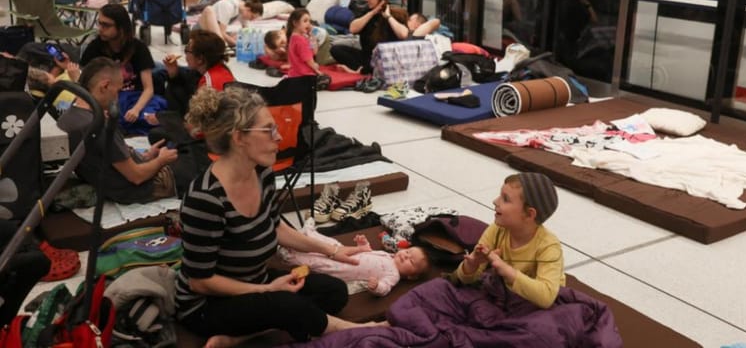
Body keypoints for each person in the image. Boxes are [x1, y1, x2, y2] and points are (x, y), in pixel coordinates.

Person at [176, 86, 384, 347]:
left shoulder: (261, 173)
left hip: (256, 279)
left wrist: (332, 250)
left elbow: (276, 227)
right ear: (239, 137)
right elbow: (200, 282)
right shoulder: (205, 199)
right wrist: (267, 290)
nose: (279, 137)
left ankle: (237, 338)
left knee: (334, 291)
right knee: (288, 305)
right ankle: (357, 331)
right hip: (208, 305)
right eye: (268, 130)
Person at [56, 57, 181, 204]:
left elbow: (109, 158)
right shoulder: (100, 126)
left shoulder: (68, 116)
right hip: (139, 188)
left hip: (111, 178)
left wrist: (146, 156)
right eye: (118, 91)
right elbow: (136, 176)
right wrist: (161, 160)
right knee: (190, 160)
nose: (118, 98)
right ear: (105, 86)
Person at [452, 172, 564, 309]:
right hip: (503, 295)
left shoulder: (549, 246)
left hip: (533, 306)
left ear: (529, 214)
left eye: (505, 199)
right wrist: (472, 265)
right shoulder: (497, 230)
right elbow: (465, 279)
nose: (495, 201)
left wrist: (504, 269)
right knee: (438, 290)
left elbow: (546, 297)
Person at [279, 223, 430, 296]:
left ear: (411, 276)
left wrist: (377, 286)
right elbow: (369, 252)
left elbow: (385, 288)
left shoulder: (393, 275)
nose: (405, 256)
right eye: (408, 252)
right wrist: (363, 244)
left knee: (320, 263)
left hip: (344, 269)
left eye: (411, 261)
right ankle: (309, 234)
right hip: (348, 253)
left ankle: (289, 256)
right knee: (331, 244)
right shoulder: (388, 255)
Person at [81, 4, 164, 135]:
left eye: (106, 25)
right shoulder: (95, 47)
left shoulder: (138, 48)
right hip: (109, 99)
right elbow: (85, 85)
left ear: (121, 28)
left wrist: (136, 109)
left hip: (135, 98)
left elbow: (148, 89)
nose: (100, 29)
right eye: (99, 23)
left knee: (152, 116)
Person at [329, 0, 407, 75]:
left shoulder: (394, 13)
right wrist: (372, 13)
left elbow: (403, 34)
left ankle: (363, 71)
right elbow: (352, 29)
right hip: (367, 56)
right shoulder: (367, 12)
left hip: (385, 59)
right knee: (336, 49)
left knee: (374, 64)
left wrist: (388, 17)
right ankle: (364, 70)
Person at [157, 29, 235, 116]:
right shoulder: (218, 69)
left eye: (187, 50)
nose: (185, 54)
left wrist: (162, 118)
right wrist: (173, 72)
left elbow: (203, 119)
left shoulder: (209, 84)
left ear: (200, 59)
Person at [196, 0, 263, 47]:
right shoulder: (228, 6)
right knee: (209, 9)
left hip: (213, 32)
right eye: (252, 17)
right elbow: (222, 32)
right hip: (201, 31)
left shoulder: (242, 8)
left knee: (237, 35)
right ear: (248, 9)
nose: (251, 20)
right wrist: (238, 44)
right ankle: (223, 46)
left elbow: (246, 31)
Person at [285, 8, 325, 78]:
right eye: (305, 21)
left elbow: (314, 52)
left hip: (294, 73)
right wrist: (317, 71)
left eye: (309, 21)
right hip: (305, 74)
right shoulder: (301, 40)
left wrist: (312, 37)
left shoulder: (294, 37)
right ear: (295, 23)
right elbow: (308, 60)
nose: (309, 24)